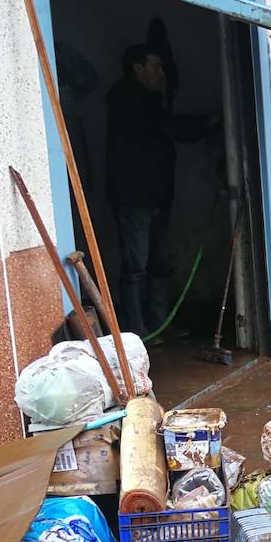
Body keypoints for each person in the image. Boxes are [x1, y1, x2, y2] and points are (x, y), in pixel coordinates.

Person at [105, 43, 207, 337]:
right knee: (136, 266)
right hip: (134, 197)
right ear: (137, 68)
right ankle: (136, 332)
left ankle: (160, 323)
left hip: (155, 195)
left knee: (159, 262)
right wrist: (204, 124)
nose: (161, 73)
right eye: (155, 67)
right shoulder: (129, 101)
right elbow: (165, 127)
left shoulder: (147, 100)